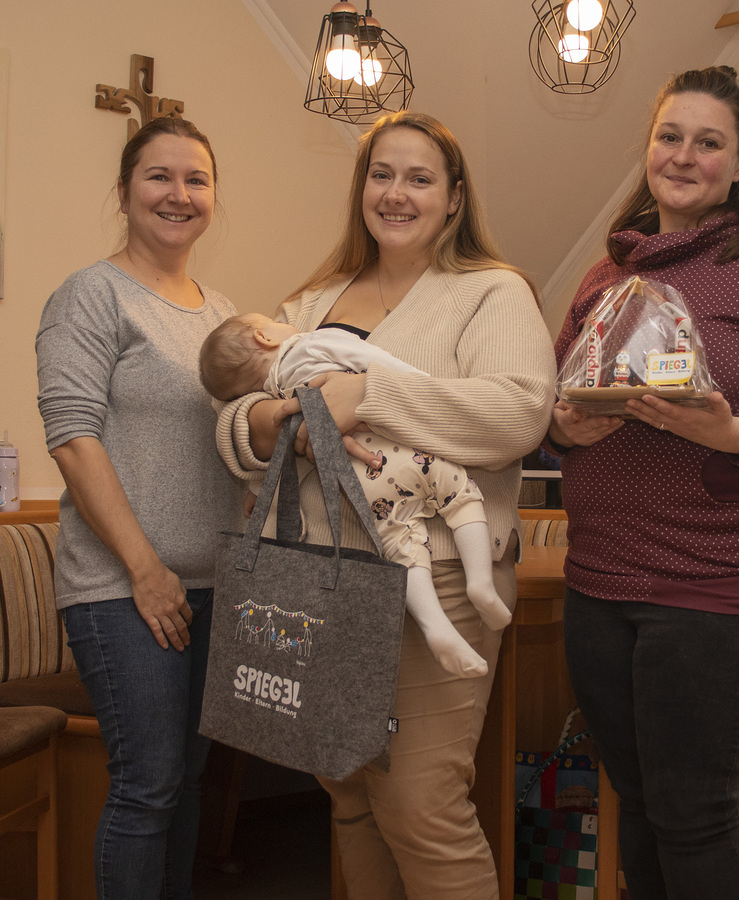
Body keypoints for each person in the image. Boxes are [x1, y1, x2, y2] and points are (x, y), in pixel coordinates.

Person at [214, 110, 556, 898]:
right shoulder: (309, 300)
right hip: (317, 579)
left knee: (421, 806)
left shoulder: (490, 293)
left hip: (432, 575)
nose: (395, 193)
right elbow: (234, 420)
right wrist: (282, 422)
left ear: (454, 197)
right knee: (349, 796)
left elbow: (515, 416)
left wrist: (362, 397)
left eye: (418, 177)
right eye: (380, 174)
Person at [548, 66, 739, 900]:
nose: (683, 155)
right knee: (639, 807)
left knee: (693, 814)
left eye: (707, 142)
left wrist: (734, 433)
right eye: (669, 136)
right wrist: (562, 429)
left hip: (717, 586)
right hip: (596, 584)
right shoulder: (604, 275)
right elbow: (551, 404)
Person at [35, 116, 244, 900]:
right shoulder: (90, 295)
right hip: (123, 589)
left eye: (196, 179)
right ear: (123, 192)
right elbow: (72, 440)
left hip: (212, 586)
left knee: (186, 780)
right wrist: (145, 569)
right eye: (159, 176)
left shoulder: (220, 308)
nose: (178, 194)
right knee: (148, 783)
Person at [199, 312, 513, 677]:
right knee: (459, 493)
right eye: (272, 320)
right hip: (396, 452)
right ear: (264, 337)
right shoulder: (314, 342)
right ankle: (481, 584)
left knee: (400, 543)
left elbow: (291, 449)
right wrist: (427, 389)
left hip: (353, 481)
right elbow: (380, 366)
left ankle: (436, 628)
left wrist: (258, 487)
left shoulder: (277, 393)